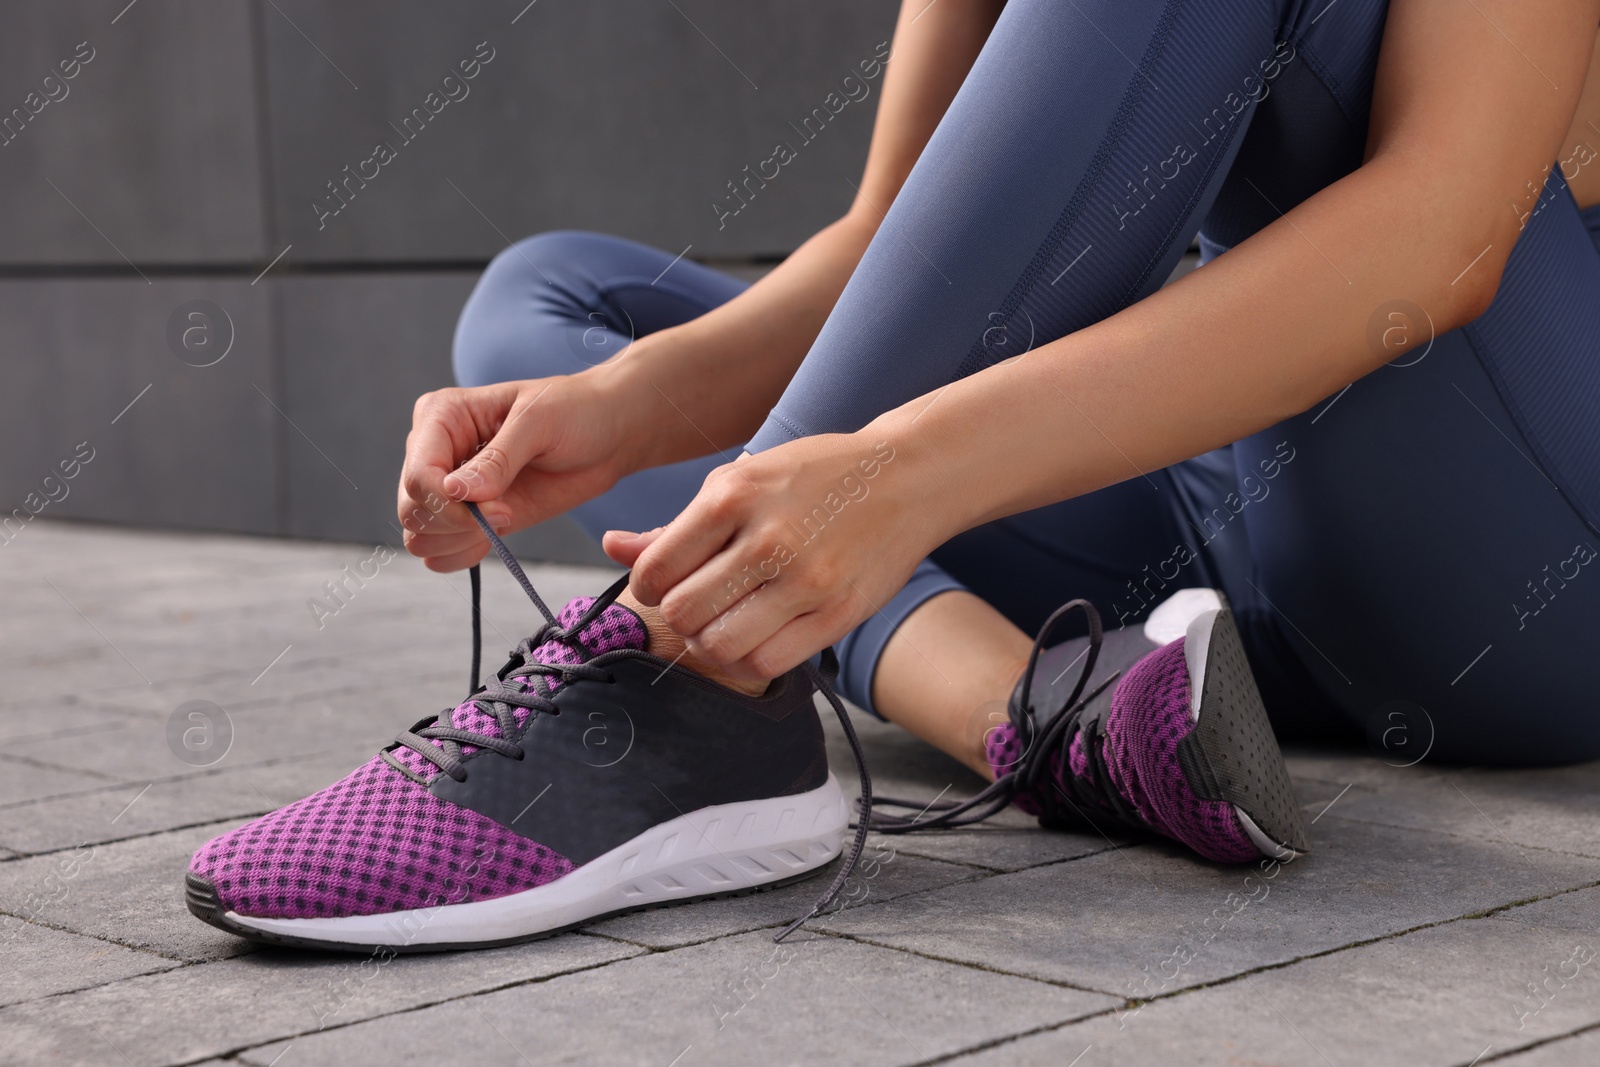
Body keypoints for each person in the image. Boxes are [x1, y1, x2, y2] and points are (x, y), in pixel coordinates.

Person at [184, 0, 1600, 951]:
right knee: (556, 300)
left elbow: (1445, 238)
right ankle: (1060, 719)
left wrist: (898, 478)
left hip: (1514, 560)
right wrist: (627, 410)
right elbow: (903, 252)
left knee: (836, 460)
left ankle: (705, 682)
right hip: (1211, 544)